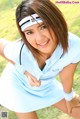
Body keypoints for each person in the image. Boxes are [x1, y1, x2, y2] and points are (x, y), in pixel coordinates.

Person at [0, 0, 80, 119]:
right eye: (29, 32)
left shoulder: (74, 45)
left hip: (46, 85)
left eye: (43, 27)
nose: (39, 39)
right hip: (17, 87)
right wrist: (23, 70)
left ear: (56, 22)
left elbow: (67, 73)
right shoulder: (20, 50)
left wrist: (69, 96)